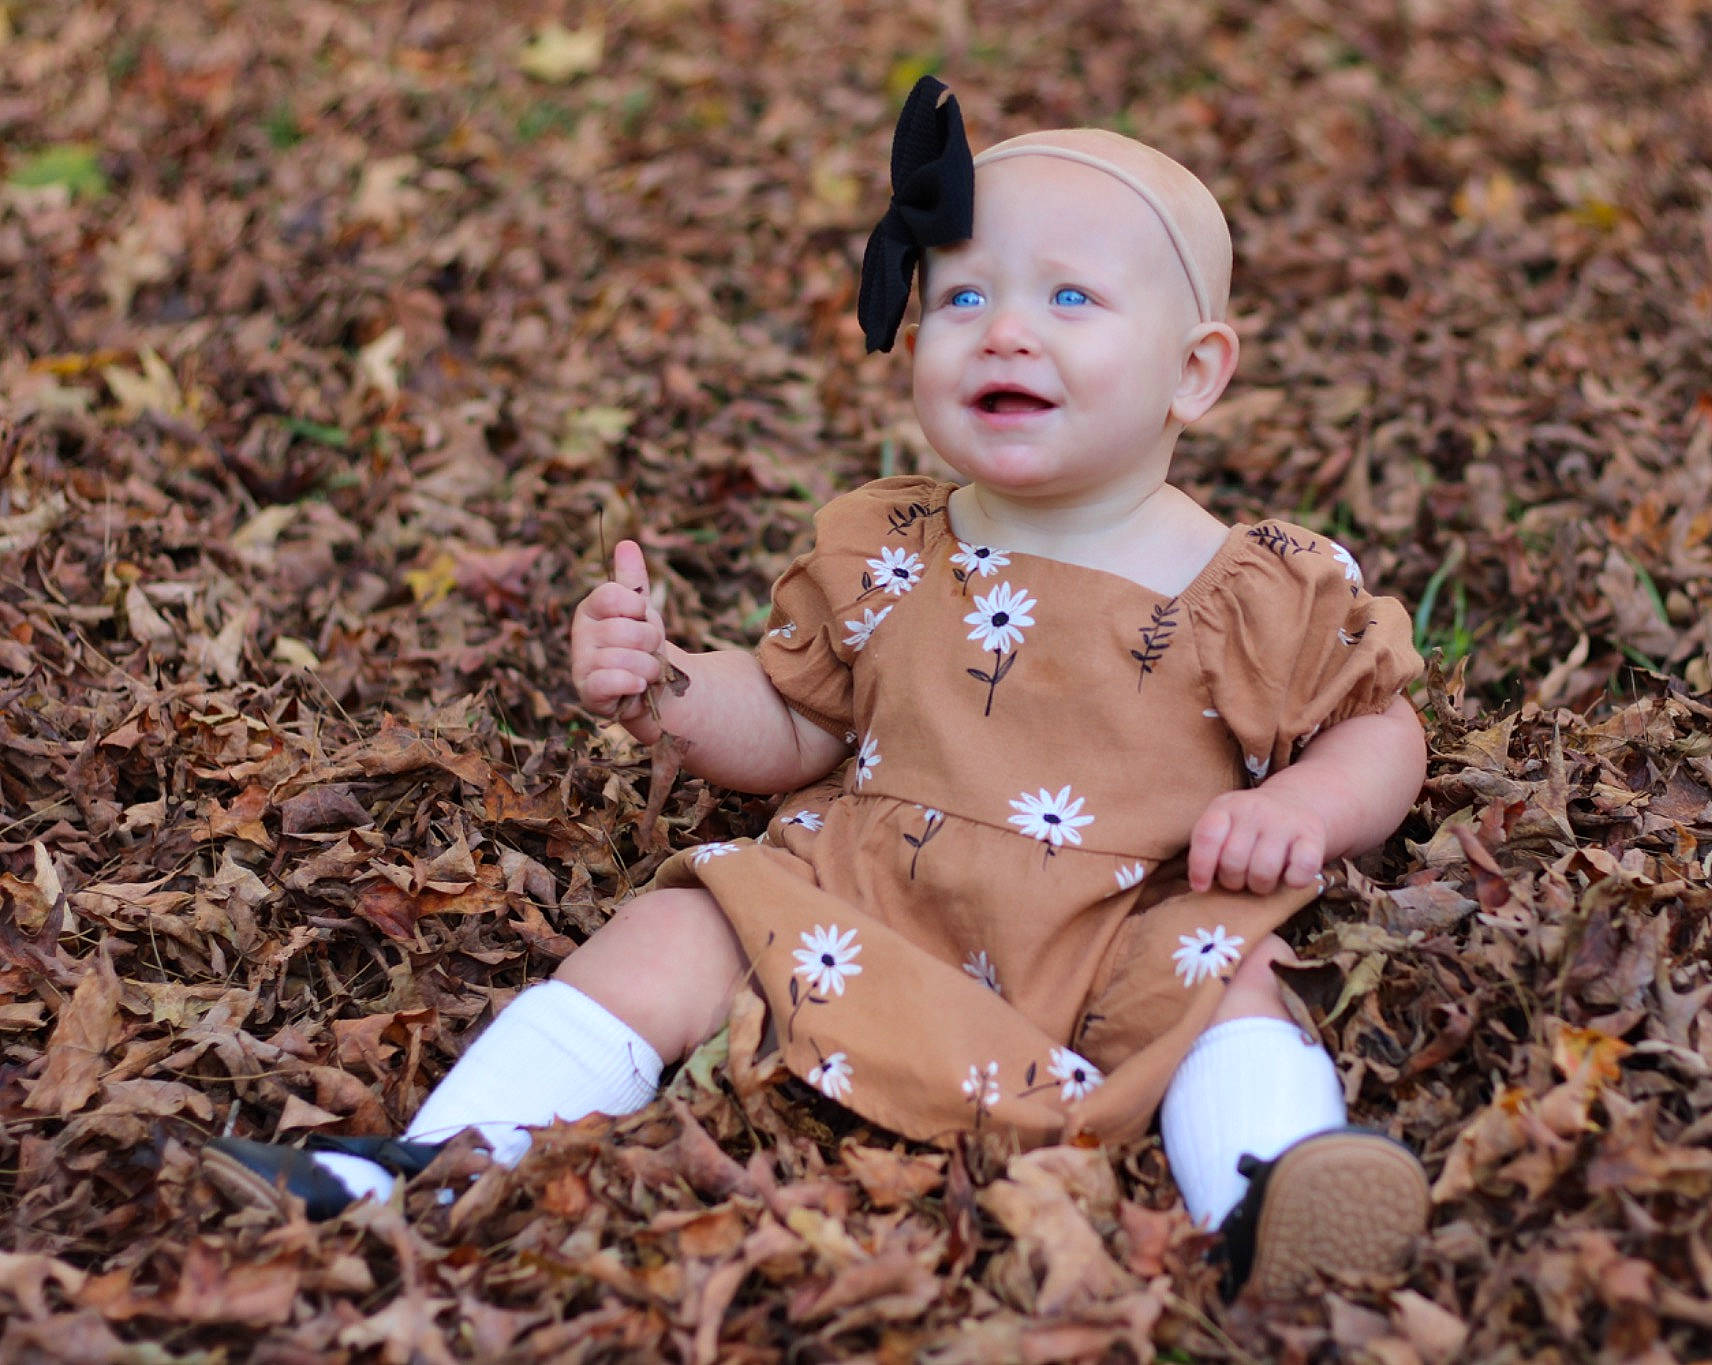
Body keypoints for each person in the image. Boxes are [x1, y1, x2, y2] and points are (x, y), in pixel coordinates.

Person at [204, 78, 1433, 1300]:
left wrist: (1309, 811)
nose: (1005, 330)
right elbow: (797, 719)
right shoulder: (887, 542)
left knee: (1234, 981)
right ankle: (438, 1160)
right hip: (871, 901)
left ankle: (1266, 1189)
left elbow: (1378, 727)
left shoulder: (1250, 586)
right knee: (678, 928)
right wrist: (670, 689)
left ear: (1194, 371)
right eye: (961, 296)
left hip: (1122, 924)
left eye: (1068, 296)